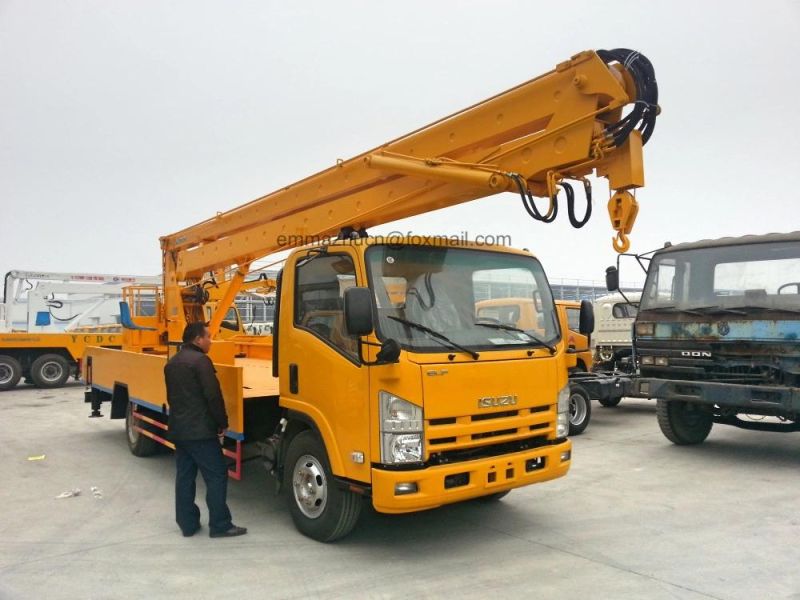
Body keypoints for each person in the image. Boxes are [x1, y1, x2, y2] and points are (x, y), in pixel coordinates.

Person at [164, 322, 247, 538]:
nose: (211, 340)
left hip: (179, 430)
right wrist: (222, 422)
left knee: (184, 477)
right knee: (217, 475)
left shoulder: (172, 363)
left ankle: (187, 524)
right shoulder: (201, 361)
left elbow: (172, 396)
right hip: (200, 432)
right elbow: (213, 396)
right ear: (198, 340)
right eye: (208, 336)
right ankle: (220, 525)